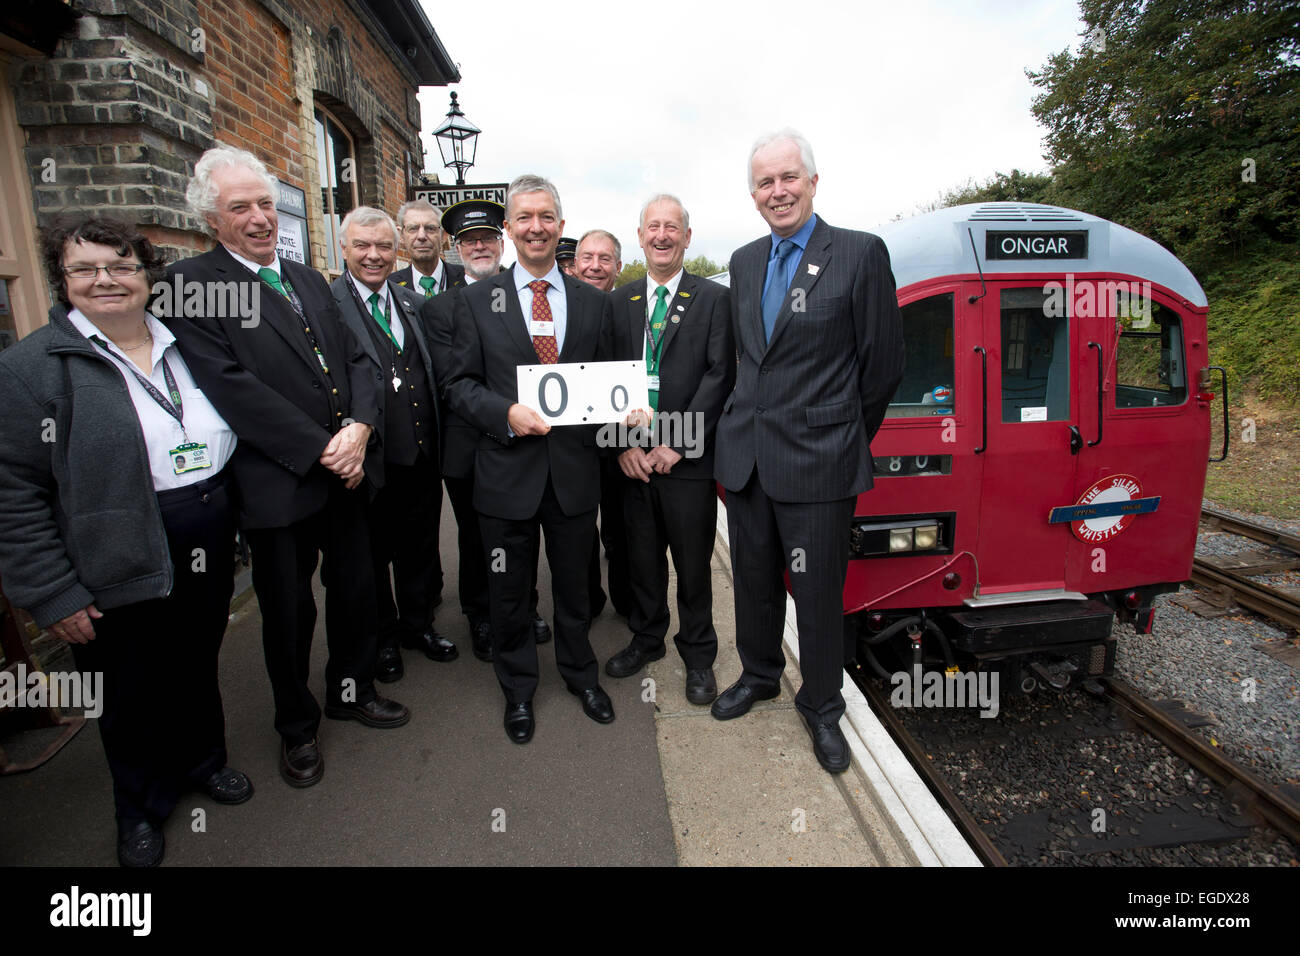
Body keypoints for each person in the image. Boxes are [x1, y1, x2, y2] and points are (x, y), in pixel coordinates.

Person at [0, 216, 250, 866]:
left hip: (206, 533)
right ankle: (139, 807)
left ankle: (204, 761)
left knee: (196, 663)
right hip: (112, 555)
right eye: (85, 269)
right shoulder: (33, 370)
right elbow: (12, 491)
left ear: (146, 274)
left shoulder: (186, 343)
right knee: (125, 690)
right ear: (62, 279)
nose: (105, 280)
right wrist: (51, 592)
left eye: (121, 266)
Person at [166, 145, 408, 792]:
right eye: (239, 207)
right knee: (290, 614)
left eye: (266, 204)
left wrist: (360, 427)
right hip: (280, 482)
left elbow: (358, 358)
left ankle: (349, 692)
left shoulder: (305, 277)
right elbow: (231, 386)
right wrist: (322, 448)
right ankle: (296, 728)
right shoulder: (193, 285)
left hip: (349, 470)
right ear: (211, 220)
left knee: (357, 592)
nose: (259, 218)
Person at [713, 129, 904, 773]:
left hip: (820, 464)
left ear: (813, 182)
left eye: (788, 177)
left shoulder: (857, 254)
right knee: (754, 584)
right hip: (749, 461)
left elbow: (881, 368)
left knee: (818, 594)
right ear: (753, 194)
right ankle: (760, 674)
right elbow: (747, 360)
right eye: (764, 183)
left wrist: (840, 435)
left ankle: (822, 706)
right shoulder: (743, 262)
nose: (778, 191)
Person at [444, 174, 616, 744]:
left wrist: (630, 409)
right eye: (525, 218)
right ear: (509, 228)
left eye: (547, 217)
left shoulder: (594, 304)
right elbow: (460, 384)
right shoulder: (474, 301)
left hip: (572, 475)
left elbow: (611, 382)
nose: (536, 227)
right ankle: (518, 691)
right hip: (505, 473)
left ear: (560, 226)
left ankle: (580, 676)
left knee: (574, 588)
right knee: (508, 591)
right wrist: (504, 413)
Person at [605, 195, 734, 704]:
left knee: (694, 565)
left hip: (686, 462)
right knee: (641, 560)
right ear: (639, 236)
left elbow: (720, 375)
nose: (662, 235)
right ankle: (648, 638)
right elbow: (603, 380)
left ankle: (699, 656)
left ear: (686, 236)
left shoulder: (713, 299)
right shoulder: (620, 302)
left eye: (672, 227)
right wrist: (621, 448)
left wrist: (677, 444)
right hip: (633, 460)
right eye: (652, 227)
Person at [423, 200, 552, 662]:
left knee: (520, 529)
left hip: (522, 439)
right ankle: (481, 613)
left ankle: (524, 607)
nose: (479, 247)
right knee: (478, 536)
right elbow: (451, 382)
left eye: (486, 239)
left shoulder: (525, 292)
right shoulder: (440, 308)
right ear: (456, 249)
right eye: (468, 241)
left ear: (501, 242)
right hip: (470, 444)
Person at [330, 206, 455, 683]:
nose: (374, 255)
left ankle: (418, 626)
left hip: (422, 454)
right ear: (344, 249)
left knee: (420, 547)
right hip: (372, 460)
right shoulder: (328, 305)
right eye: (362, 245)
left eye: (383, 245)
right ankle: (382, 639)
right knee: (373, 555)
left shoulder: (410, 302)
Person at [573, 228, 632, 619]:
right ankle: (587, 600)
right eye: (588, 258)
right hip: (573, 439)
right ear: (576, 264)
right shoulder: (561, 307)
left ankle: (627, 602)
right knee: (578, 529)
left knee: (622, 525)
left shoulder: (631, 307)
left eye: (604, 258)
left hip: (620, 436)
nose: (595, 266)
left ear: (618, 266)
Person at [391, 199, 464, 296]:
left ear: (444, 236)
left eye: (430, 228)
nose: (421, 236)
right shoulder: (390, 286)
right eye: (413, 228)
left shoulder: (467, 279)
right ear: (401, 236)